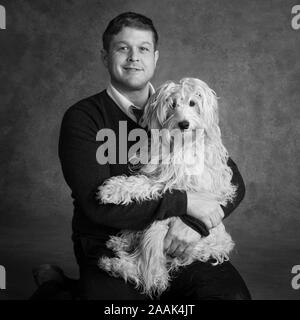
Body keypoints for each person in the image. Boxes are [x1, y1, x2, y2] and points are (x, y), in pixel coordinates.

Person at [32, 12, 251, 300]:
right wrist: (185, 202)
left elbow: (232, 182)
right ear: (105, 56)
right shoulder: (83, 118)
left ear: (155, 57)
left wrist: (195, 223)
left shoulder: (175, 107)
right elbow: (98, 206)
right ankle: (57, 288)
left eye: (143, 49)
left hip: (180, 239)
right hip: (111, 242)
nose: (134, 57)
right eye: (123, 48)